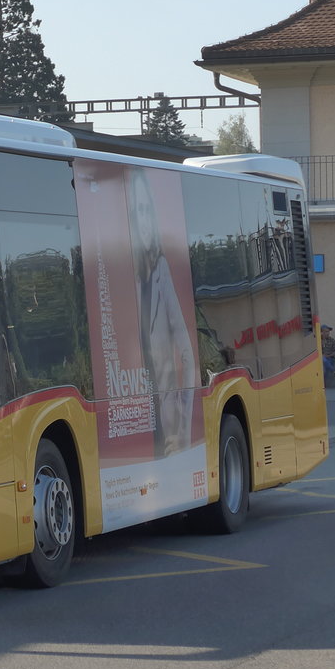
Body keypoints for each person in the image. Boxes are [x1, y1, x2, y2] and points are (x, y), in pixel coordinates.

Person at [127, 169, 196, 458]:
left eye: (147, 210)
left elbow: (188, 356)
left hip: (167, 423)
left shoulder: (161, 271)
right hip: (139, 417)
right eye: (137, 211)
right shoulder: (130, 279)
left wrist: (183, 430)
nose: (143, 220)